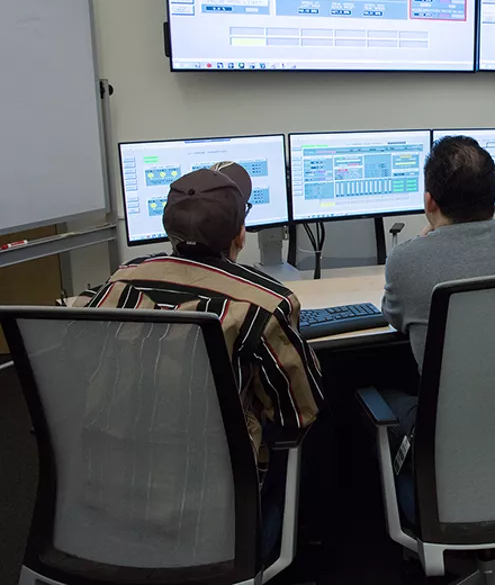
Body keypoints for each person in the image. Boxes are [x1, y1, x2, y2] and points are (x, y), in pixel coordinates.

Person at [75, 162, 324, 554]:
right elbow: (300, 411)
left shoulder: (117, 285)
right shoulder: (262, 303)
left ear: (167, 229)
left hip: (103, 503)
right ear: (240, 235)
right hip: (213, 515)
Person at [379, 135, 495, 520]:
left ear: (429, 202)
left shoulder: (407, 261)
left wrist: (426, 242)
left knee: (369, 394)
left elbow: (393, 317)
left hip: (450, 446)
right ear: (494, 195)